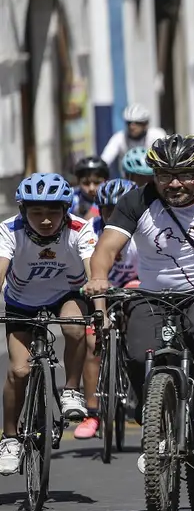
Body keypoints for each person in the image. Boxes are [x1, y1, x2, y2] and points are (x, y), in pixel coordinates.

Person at [82, 135, 194, 473]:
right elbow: (106, 249)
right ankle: (155, 426)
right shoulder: (136, 202)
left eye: (185, 174)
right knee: (138, 353)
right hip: (152, 293)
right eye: (165, 175)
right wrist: (98, 277)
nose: (176, 183)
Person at [0, 174, 97, 474]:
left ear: (66, 209)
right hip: (21, 301)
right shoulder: (8, 229)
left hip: (65, 294)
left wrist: (100, 308)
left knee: (74, 325)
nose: (45, 220)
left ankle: (71, 389)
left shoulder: (81, 229)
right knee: (19, 371)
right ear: (23, 211)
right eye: (37, 212)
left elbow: (94, 276)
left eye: (54, 212)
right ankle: (9, 438)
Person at [71, 178, 140, 440]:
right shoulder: (90, 230)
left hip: (136, 289)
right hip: (100, 292)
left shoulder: (146, 231)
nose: (114, 215)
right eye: (108, 210)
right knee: (92, 343)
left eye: (121, 209)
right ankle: (92, 412)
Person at [100, 104, 167, 175]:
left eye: (137, 123)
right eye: (129, 123)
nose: (132, 127)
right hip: (128, 179)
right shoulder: (119, 137)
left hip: (152, 177)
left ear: (145, 124)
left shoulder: (157, 135)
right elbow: (105, 159)